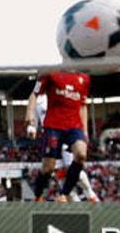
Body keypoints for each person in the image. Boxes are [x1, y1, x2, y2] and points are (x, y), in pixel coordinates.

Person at [25, 71, 91, 202]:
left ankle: (64, 194)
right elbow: (34, 93)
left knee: (81, 155)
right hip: (53, 126)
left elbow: (83, 105)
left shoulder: (84, 78)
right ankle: (37, 195)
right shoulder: (50, 73)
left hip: (74, 126)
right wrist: (29, 113)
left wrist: (85, 131)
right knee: (48, 168)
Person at [31, 95, 99, 202]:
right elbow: (34, 118)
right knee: (60, 175)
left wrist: (83, 132)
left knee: (71, 167)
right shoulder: (37, 100)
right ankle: (77, 205)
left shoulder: (61, 93)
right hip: (50, 137)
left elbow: (79, 108)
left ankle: (90, 193)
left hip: (65, 134)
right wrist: (32, 128)